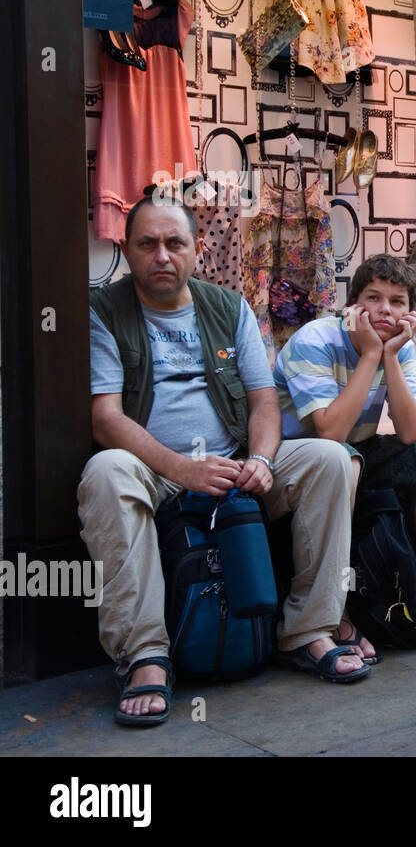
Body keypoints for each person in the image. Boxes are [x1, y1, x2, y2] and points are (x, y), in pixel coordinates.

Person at [79, 198, 365, 728]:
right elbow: (106, 419)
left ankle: (308, 629)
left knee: (327, 457)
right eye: (147, 244)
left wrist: (260, 458)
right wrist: (181, 469)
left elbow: (263, 402)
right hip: (155, 470)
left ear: (198, 249)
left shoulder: (228, 307)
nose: (162, 256)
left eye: (175, 243)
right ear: (126, 249)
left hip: (233, 459)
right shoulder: (104, 311)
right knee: (105, 471)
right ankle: (144, 655)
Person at [274, 254, 416, 646]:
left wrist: (389, 354)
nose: (384, 310)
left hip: (356, 450)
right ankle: (334, 609)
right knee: (344, 460)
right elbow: (330, 432)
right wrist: (370, 353)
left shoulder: (398, 347)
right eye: (373, 298)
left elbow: (410, 432)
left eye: (397, 302)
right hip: (297, 460)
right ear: (353, 304)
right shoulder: (315, 340)